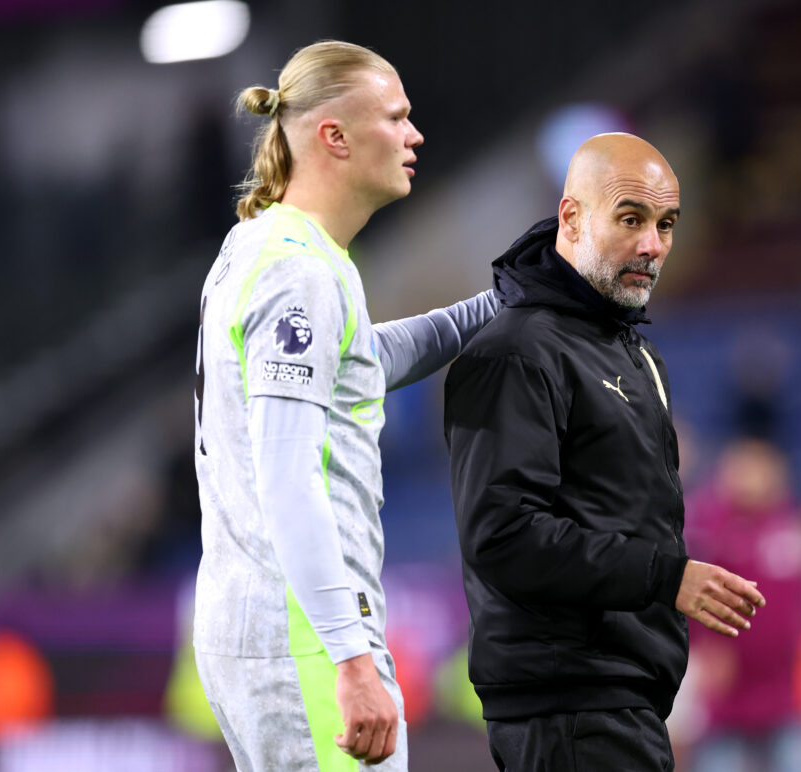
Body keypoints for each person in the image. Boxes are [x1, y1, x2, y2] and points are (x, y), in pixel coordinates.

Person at [192, 40, 498, 771]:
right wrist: (351, 656)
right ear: (334, 136)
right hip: (304, 639)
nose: (413, 135)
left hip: (269, 627)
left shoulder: (261, 247)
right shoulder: (299, 274)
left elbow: (361, 364)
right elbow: (287, 479)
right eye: (395, 117)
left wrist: (497, 307)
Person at [443, 132, 766, 771]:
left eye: (666, 224)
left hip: (619, 700)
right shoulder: (516, 351)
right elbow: (503, 535)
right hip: (568, 705)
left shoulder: (635, 353)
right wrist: (664, 576)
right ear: (571, 217)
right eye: (631, 218)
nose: (653, 244)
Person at [686, 439, 801, 772]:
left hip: (786, 692)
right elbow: (691, 594)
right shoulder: (708, 527)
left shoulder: (791, 525)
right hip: (728, 695)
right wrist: (701, 647)